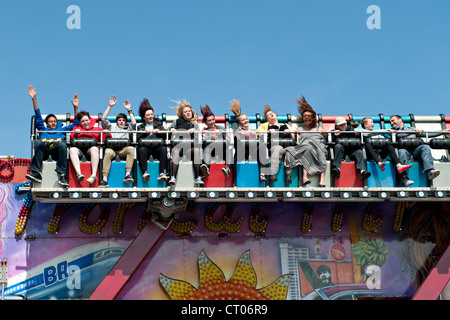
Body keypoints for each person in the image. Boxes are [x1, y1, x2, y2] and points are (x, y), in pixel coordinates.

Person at [26, 85, 79, 187]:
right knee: (38, 142)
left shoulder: (62, 129)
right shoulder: (43, 129)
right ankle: (36, 173)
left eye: (55, 121)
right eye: (51, 122)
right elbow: (37, 115)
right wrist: (34, 99)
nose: (53, 123)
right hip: (44, 151)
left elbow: (76, 123)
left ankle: (62, 175)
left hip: (56, 152)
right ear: (47, 124)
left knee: (63, 145)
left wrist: (75, 107)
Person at [284, 96, 328, 187]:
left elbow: (326, 139)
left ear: (312, 118)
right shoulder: (300, 129)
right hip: (305, 147)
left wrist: (324, 134)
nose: (305, 118)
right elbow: (296, 141)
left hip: (318, 146)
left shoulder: (318, 128)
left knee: (320, 149)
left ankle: (322, 178)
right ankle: (304, 177)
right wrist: (296, 134)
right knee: (306, 149)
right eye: (304, 116)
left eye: (308, 116)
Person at [389, 115, 441, 186]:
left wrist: (442, 132)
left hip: (415, 151)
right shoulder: (393, 131)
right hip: (404, 151)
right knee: (402, 152)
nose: (392, 123)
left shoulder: (411, 129)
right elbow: (397, 136)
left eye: (393, 120)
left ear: (400, 120)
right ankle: (404, 178)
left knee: (425, 147)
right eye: (390, 122)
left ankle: (430, 171)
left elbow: (427, 134)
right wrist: (411, 132)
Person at [360, 116, 413, 184]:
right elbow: (367, 133)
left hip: (379, 154)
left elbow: (388, 137)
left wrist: (389, 132)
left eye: (373, 122)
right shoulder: (363, 132)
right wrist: (384, 131)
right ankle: (379, 163)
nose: (373, 124)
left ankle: (398, 165)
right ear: (365, 125)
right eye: (371, 122)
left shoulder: (378, 134)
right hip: (370, 155)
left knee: (389, 146)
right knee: (367, 144)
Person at [99, 96, 136, 188]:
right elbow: (103, 119)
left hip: (123, 150)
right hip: (112, 149)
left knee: (131, 149)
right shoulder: (112, 127)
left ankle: (127, 175)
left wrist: (129, 110)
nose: (122, 122)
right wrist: (109, 106)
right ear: (116, 122)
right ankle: (104, 180)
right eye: (119, 120)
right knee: (107, 152)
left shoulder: (128, 128)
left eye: (123, 120)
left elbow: (134, 124)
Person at [168, 100, 202, 186]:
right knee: (175, 151)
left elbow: (199, 135)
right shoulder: (177, 121)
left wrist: (194, 130)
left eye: (189, 111)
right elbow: (170, 129)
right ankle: (173, 177)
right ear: (182, 114)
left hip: (189, 148)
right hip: (179, 147)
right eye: (185, 112)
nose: (188, 113)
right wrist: (172, 129)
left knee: (197, 150)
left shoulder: (195, 124)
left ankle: (198, 177)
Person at [256, 104, 294, 183]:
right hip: (273, 147)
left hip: (286, 146)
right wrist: (267, 131)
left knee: (291, 150)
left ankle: (288, 175)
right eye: (268, 115)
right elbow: (258, 134)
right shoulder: (266, 125)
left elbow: (294, 139)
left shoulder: (286, 125)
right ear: (267, 119)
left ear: (276, 115)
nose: (271, 115)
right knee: (278, 148)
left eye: (272, 113)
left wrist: (290, 133)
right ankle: (272, 174)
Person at [69, 109, 106, 184]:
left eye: (86, 120)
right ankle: (79, 173)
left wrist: (107, 133)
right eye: (83, 121)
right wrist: (75, 134)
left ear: (90, 120)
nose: (85, 123)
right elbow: (71, 139)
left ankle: (93, 175)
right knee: (72, 150)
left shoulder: (97, 129)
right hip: (80, 151)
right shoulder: (76, 128)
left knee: (94, 148)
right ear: (80, 122)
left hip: (91, 152)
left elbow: (104, 139)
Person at [136, 98, 168, 183]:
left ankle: (161, 173)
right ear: (144, 117)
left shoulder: (158, 125)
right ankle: (145, 173)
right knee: (141, 149)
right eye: (148, 115)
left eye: (151, 114)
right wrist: (144, 133)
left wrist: (158, 131)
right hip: (146, 149)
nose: (150, 116)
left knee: (164, 149)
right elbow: (136, 138)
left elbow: (166, 134)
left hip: (156, 148)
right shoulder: (141, 127)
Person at [331, 117, 371, 181]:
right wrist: (335, 136)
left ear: (346, 124)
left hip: (352, 151)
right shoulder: (334, 132)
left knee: (359, 152)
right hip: (341, 153)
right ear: (337, 126)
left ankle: (362, 171)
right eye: (340, 125)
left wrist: (358, 135)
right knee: (338, 146)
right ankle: (336, 169)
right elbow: (330, 143)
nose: (343, 126)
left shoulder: (352, 130)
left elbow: (362, 141)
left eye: (344, 124)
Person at [199, 105, 231, 177]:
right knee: (207, 150)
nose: (212, 122)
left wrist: (223, 134)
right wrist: (203, 136)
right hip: (210, 151)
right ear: (206, 122)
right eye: (209, 121)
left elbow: (228, 141)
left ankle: (227, 169)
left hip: (220, 150)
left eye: (213, 120)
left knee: (228, 150)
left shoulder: (221, 128)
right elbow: (202, 143)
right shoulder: (204, 131)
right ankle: (206, 168)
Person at [229, 99, 258, 163]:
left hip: (251, 153)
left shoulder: (253, 131)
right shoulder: (238, 131)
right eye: (243, 120)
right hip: (241, 154)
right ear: (239, 123)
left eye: (246, 119)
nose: (245, 121)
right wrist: (240, 133)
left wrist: (254, 134)